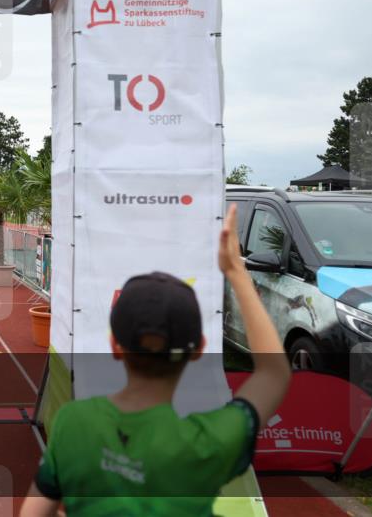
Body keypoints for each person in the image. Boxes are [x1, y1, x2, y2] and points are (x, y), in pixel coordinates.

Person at [20, 204, 291, 517]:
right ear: (199, 349)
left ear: (114, 345)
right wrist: (236, 271)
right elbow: (274, 374)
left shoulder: (72, 423)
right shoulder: (210, 442)